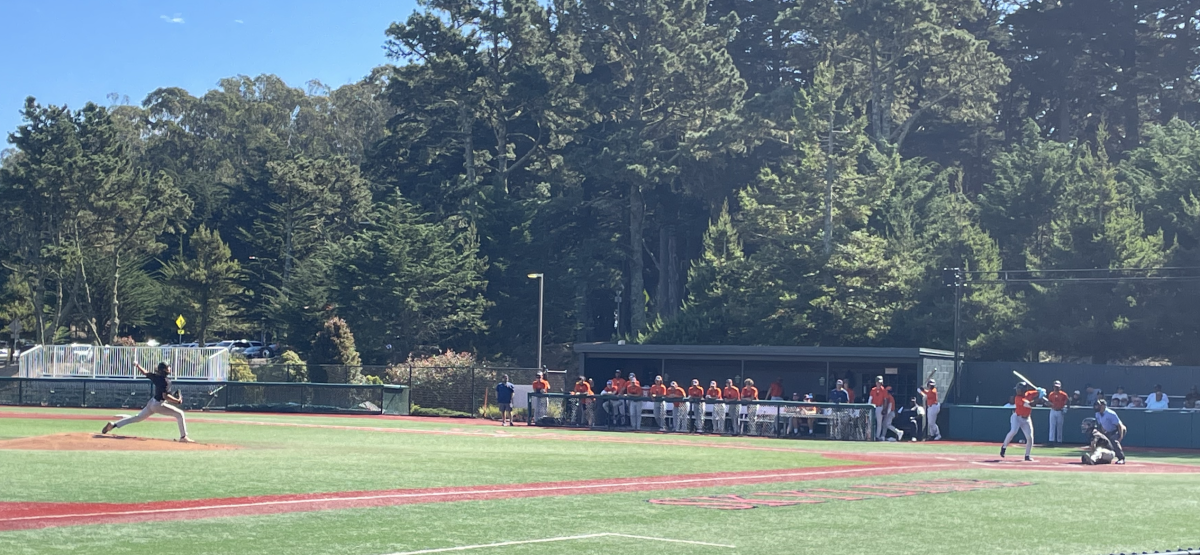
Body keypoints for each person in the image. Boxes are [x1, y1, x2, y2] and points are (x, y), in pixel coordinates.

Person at [101, 362, 193, 443]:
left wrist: (137, 365)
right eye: (167, 367)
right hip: (158, 404)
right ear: (164, 370)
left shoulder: (156, 377)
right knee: (180, 414)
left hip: (152, 402)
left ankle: (114, 425)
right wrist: (177, 401)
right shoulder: (166, 381)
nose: (169, 368)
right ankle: (183, 437)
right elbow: (166, 396)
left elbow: (145, 372)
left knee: (137, 418)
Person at [1001, 381, 1041, 461]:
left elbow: (1037, 392)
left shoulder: (1029, 393)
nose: (1017, 391)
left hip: (1026, 418)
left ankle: (1027, 455)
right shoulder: (1018, 398)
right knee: (1013, 431)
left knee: (1030, 437)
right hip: (1017, 417)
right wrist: (1039, 398)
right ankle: (1004, 447)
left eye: (1019, 389)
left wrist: (1041, 391)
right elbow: (1030, 405)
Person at [1094, 399, 1127, 464]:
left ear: (1103, 406)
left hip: (1118, 430)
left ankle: (1121, 458)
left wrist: (1120, 437)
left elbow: (1119, 425)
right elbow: (1102, 425)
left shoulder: (1110, 413)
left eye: (1098, 405)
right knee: (1101, 442)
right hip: (1109, 431)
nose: (1096, 407)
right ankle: (1102, 458)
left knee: (1113, 440)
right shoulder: (1097, 414)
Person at [868, 376, 888, 441]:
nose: (879, 384)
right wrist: (869, 407)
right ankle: (870, 436)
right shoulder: (873, 390)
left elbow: (885, 400)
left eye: (880, 382)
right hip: (873, 408)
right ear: (876, 382)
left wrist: (884, 409)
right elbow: (870, 399)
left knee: (879, 423)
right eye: (878, 382)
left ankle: (877, 436)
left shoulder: (884, 390)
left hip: (880, 407)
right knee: (871, 422)